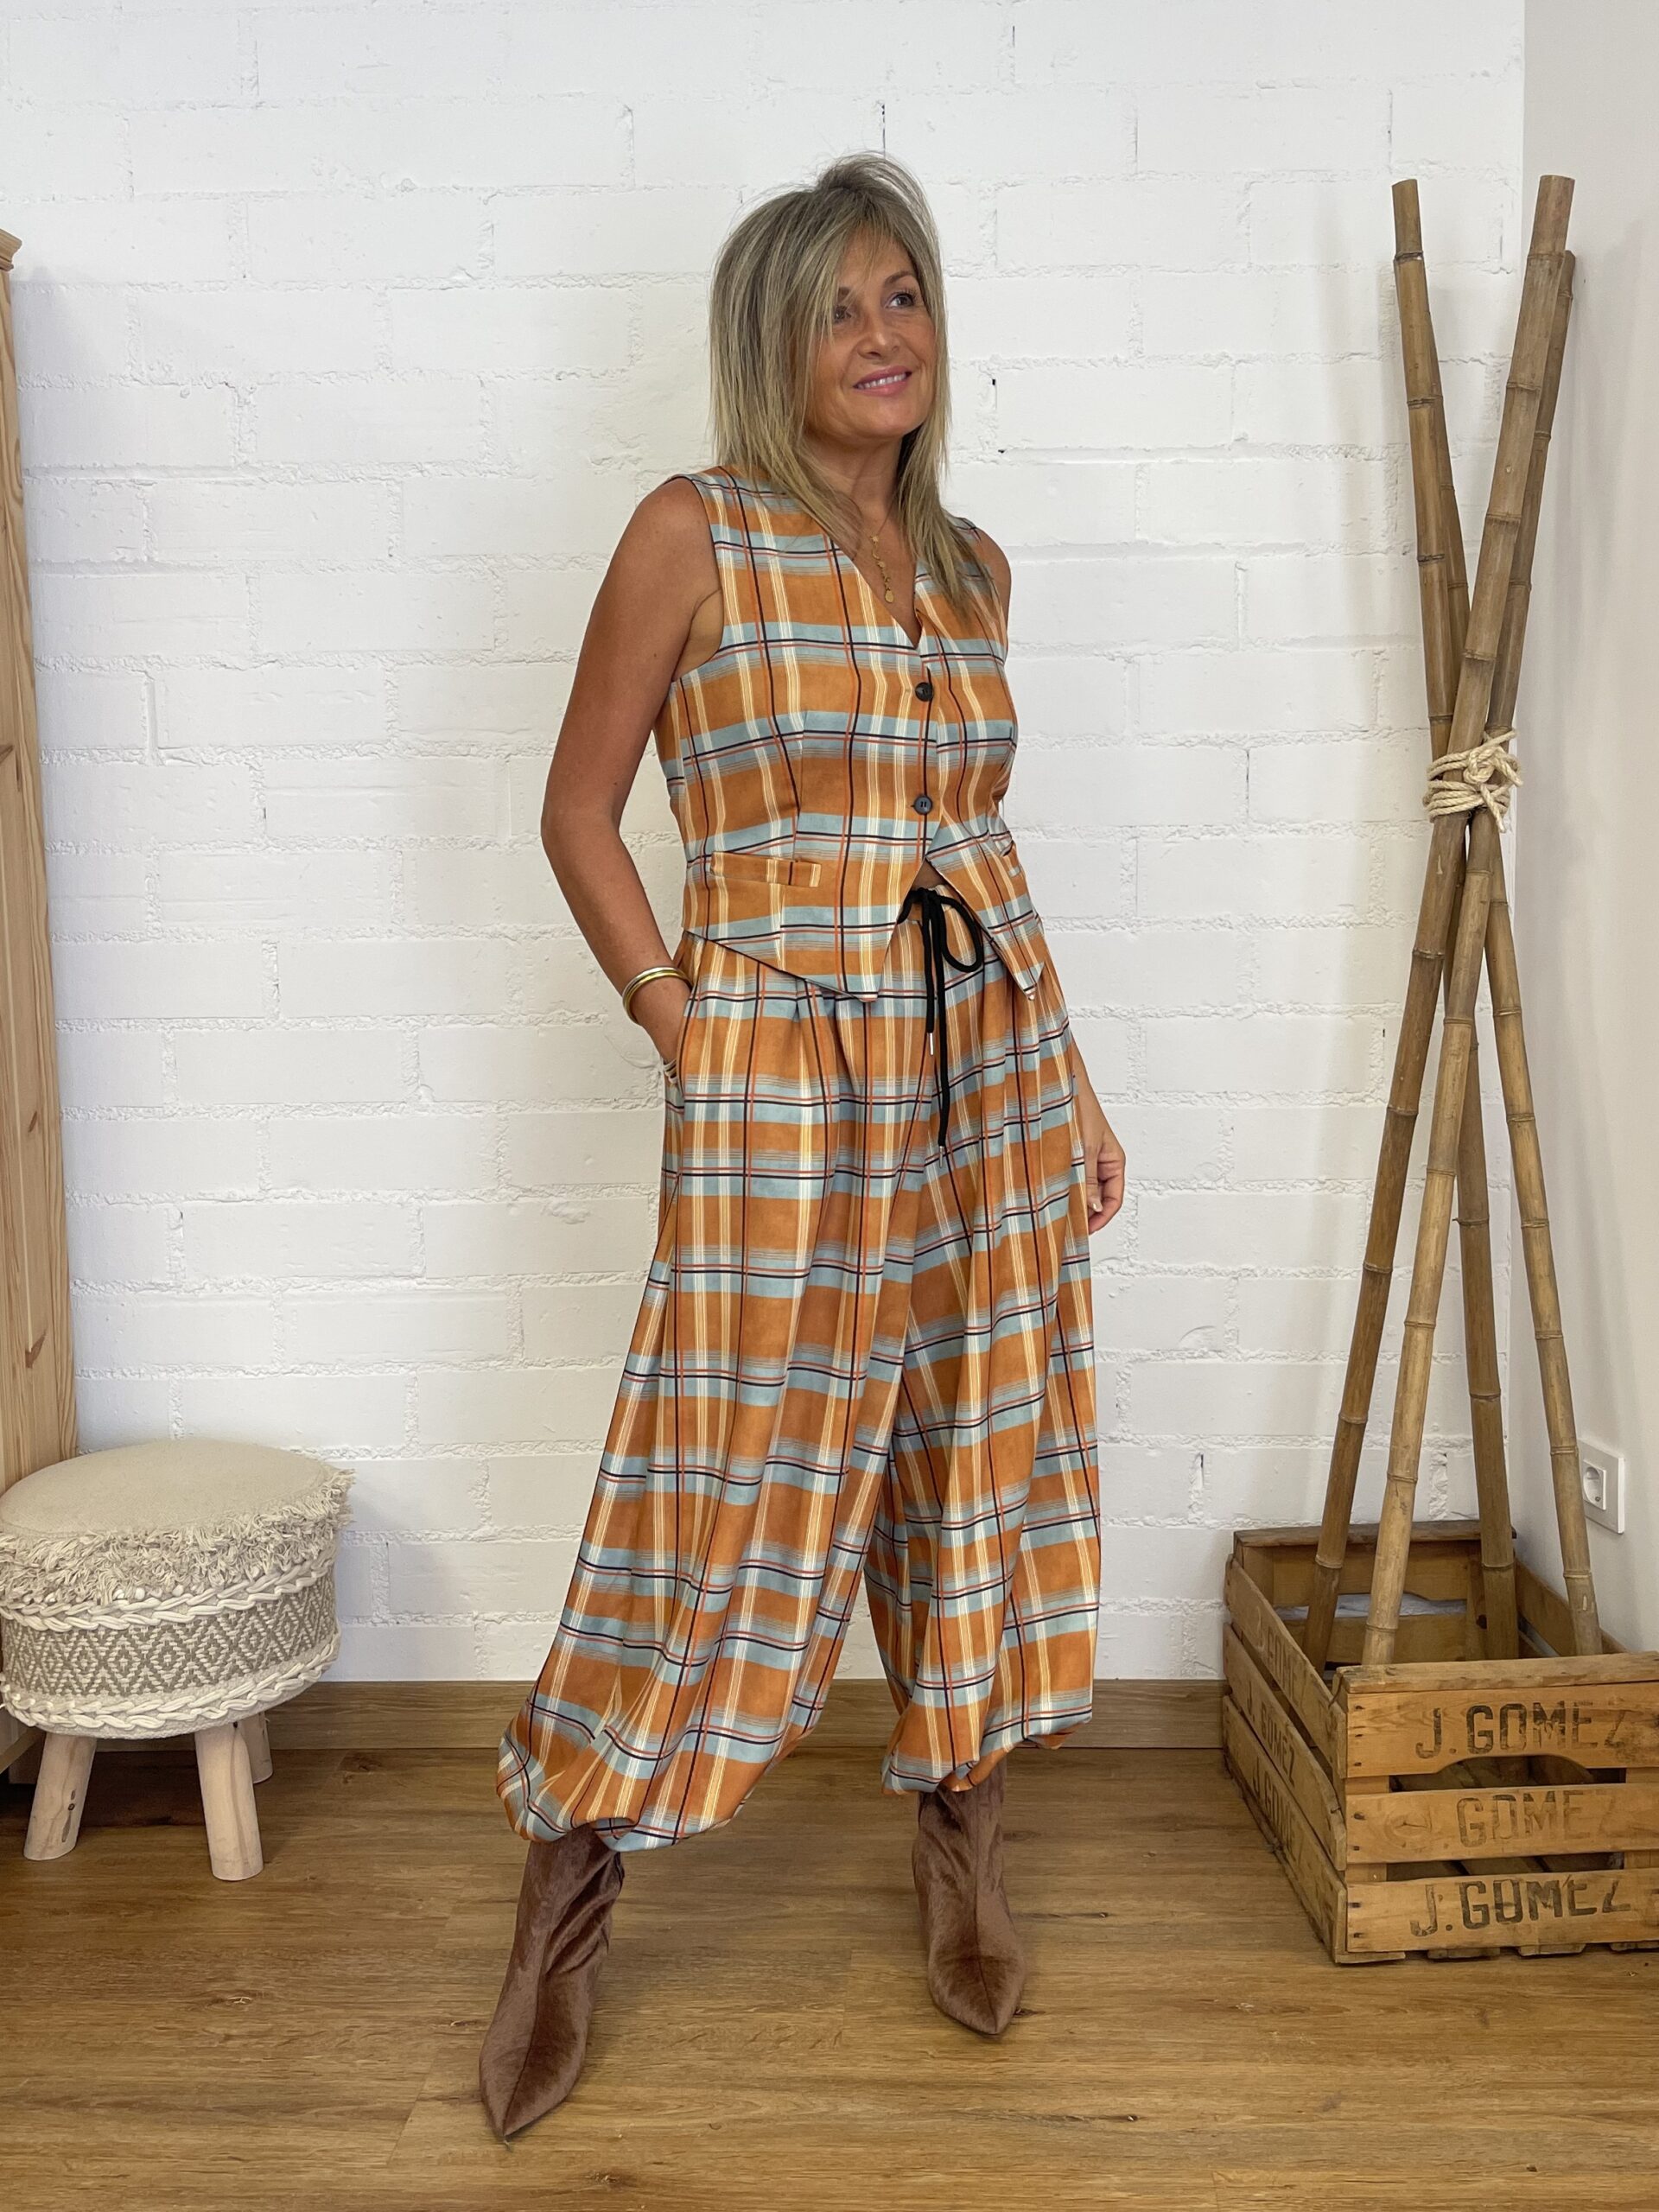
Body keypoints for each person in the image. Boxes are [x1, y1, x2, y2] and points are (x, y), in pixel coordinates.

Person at [480, 151, 1126, 2141]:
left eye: (904, 294)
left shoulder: (975, 566)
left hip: (981, 1064)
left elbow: (977, 849)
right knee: (723, 1464)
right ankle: (572, 1874)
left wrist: (1075, 1082)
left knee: (969, 1439)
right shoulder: (694, 532)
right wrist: (680, 1015)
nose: (881, 334)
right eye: (839, 305)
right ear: (773, 341)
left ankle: (962, 1824)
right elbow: (580, 808)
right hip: (780, 1066)